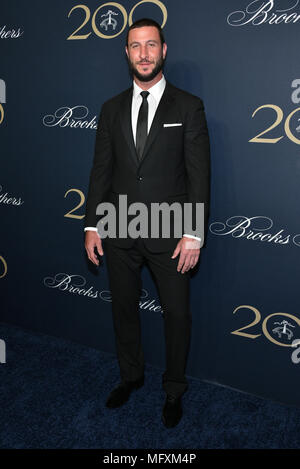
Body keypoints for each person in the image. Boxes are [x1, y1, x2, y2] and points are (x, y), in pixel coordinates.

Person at [84, 18, 210, 428]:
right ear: (126, 52)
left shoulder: (188, 106)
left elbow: (198, 175)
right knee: (123, 309)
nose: (143, 53)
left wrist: (193, 232)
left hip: (171, 232)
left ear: (164, 50)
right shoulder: (110, 108)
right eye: (135, 46)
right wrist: (91, 225)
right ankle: (131, 376)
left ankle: (174, 388)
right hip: (118, 228)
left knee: (177, 315)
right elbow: (101, 170)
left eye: (151, 45)